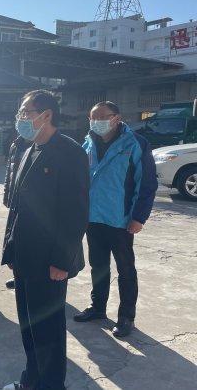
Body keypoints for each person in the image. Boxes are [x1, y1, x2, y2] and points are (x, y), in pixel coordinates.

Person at [1, 90, 89, 390]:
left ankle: (51, 385)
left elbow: (76, 213)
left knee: (48, 330)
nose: (21, 118)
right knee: (29, 325)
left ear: (46, 115)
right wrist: (10, 250)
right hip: (25, 256)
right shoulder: (29, 149)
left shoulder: (70, 152)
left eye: (26, 112)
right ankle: (31, 381)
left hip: (50, 260)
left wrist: (62, 261)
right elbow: (17, 207)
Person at [73, 101, 157, 338]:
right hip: (93, 217)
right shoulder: (87, 143)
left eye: (103, 117)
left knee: (125, 269)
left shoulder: (136, 143)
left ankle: (126, 316)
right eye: (93, 117)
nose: (97, 121)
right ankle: (98, 307)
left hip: (120, 219)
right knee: (98, 265)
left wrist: (138, 217)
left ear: (117, 118)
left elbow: (146, 183)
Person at [2, 135, 31, 290]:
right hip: (15, 198)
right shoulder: (15, 145)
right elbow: (10, 171)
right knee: (14, 239)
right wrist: (7, 192)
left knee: (28, 240)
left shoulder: (39, 145)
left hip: (32, 202)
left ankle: (28, 274)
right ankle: (17, 274)